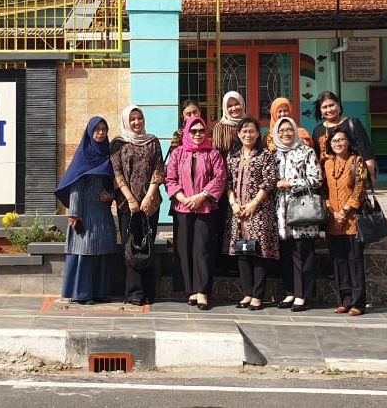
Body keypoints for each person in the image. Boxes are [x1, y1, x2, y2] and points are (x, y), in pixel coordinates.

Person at [165, 115, 228, 310]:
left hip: (205, 207)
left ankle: (202, 291)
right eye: (194, 131)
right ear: (187, 132)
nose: (198, 134)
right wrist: (183, 198)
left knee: (203, 249)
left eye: (201, 131)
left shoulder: (213, 153)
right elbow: (170, 178)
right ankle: (189, 289)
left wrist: (201, 196)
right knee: (184, 248)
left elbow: (220, 178)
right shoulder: (178, 153)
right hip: (183, 207)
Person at [55, 116, 117, 304]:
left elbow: (114, 182)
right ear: (89, 132)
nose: (100, 133)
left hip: (102, 211)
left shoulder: (107, 155)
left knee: (102, 249)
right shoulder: (83, 155)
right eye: (97, 129)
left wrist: (112, 195)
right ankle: (81, 293)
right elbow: (75, 186)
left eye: (103, 130)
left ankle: (99, 292)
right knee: (85, 250)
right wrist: (74, 213)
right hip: (84, 211)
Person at [110, 105, 166, 306]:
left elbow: (159, 169)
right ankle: (134, 292)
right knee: (131, 245)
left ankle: (149, 292)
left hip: (150, 204)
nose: (136, 122)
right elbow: (117, 174)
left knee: (147, 245)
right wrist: (131, 199)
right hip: (128, 205)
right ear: (126, 121)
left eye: (139, 118)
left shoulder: (152, 141)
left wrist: (149, 196)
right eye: (132, 119)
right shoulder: (118, 143)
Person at [223, 116, 278, 311]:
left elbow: (269, 181)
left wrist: (254, 203)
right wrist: (233, 203)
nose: (248, 134)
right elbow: (227, 182)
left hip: (259, 212)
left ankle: (258, 295)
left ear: (257, 133)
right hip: (238, 214)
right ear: (238, 133)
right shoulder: (233, 155)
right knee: (243, 253)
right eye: (244, 131)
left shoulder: (265, 155)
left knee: (258, 254)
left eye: (252, 131)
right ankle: (247, 293)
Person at [273, 116, 323, 312]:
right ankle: (290, 292)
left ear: (295, 131)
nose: (286, 133)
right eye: (282, 130)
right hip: (281, 211)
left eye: (289, 130)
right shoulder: (274, 154)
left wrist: (291, 184)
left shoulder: (306, 152)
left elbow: (316, 179)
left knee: (303, 253)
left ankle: (303, 295)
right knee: (286, 253)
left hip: (302, 207)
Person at [323, 126, 369, 315]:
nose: (338, 144)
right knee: (339, 261)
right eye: (334, 141)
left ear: (348, 141)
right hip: (333, 219)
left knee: (355, 260)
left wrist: (345, 210)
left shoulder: (357, 161)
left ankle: (358, 303)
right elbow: (323, 189)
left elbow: (360, 188)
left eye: (341, 140)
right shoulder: (326, 163)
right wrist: (331, 210)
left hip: (352, 219)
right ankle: (344, 300)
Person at [311, 91, 376, 185]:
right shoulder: (317, 131)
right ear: (320, 110)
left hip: (352, 178)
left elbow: (365, 149)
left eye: (331, 105)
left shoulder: (352, 123)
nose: (329, 110)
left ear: (338, 105)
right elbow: (317, 157)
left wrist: (370, 174)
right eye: (324, 107)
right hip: (328, 182)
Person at [212, 91, 246, 156]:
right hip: (226, 164)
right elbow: (217, 152)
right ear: (225, 108)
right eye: (229, 106)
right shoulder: (220, 127)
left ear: (242, 104)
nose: (234, 108)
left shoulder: (248, 124)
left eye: (236, 104)